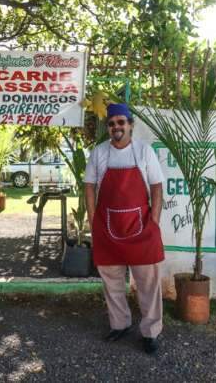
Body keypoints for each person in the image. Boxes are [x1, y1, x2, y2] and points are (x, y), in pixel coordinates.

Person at [84, 102, 165, 355]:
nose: (116, 127)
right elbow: (89, 186)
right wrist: (93, 218)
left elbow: (157, 187)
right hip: (107, 227)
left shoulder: (144, 152)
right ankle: (119, 324)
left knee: (148, 284)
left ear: (130, 125)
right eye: (111, 124)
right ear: (108, 128)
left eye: (121, 122)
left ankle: (151, 332)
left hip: (141, 228)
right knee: (112, 281)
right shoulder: (99, 153)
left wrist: (153, 221)